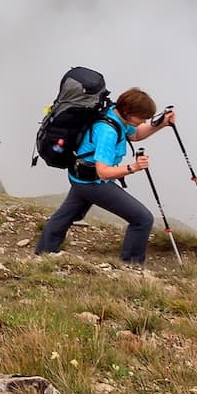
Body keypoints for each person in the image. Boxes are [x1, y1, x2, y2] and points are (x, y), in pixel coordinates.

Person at [34, 88, 176, 264]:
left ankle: (44, 253)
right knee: (142, 219)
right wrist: (133, 167)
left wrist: (161, 124)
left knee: (68, 214)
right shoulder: (107, 132)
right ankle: (131, 266)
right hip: (93, 182)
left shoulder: (115, 114)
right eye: (142, 118)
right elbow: (103, 171)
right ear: (128, 112)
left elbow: (137, 134)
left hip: (81, 176)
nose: (144, 121)